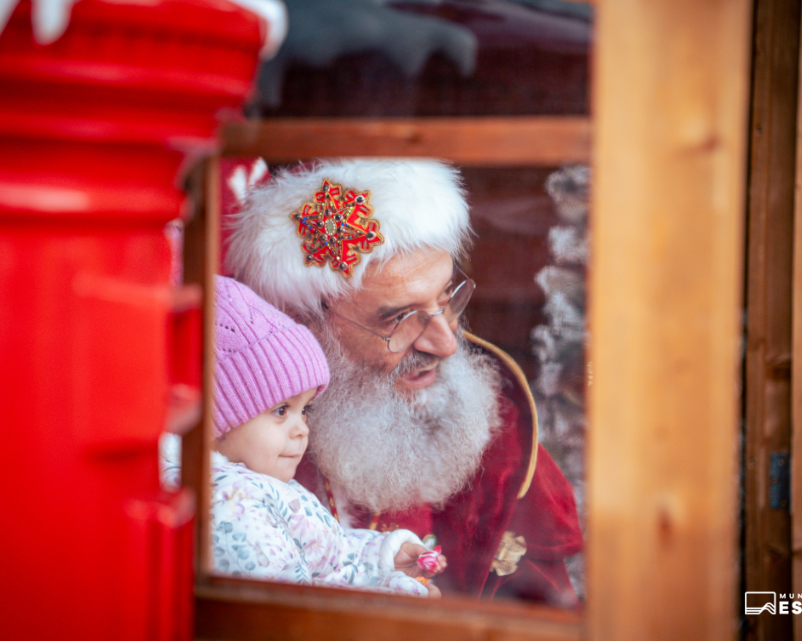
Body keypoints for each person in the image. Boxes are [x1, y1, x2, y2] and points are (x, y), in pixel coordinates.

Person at [226, 159, 583, 606]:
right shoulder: (238, 451)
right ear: (303, 325)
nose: (446, 343)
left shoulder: (500, 423)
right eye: (399, 318)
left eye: (447, 298)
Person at [207, 274, 445, 596]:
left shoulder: (252, 487)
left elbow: (328, 559)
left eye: (305, 410)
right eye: (281, 410)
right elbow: (290, 613)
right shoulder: (233, 509)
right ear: (217, 420)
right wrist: (393, 601)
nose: (302, 428)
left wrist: (382, 559)